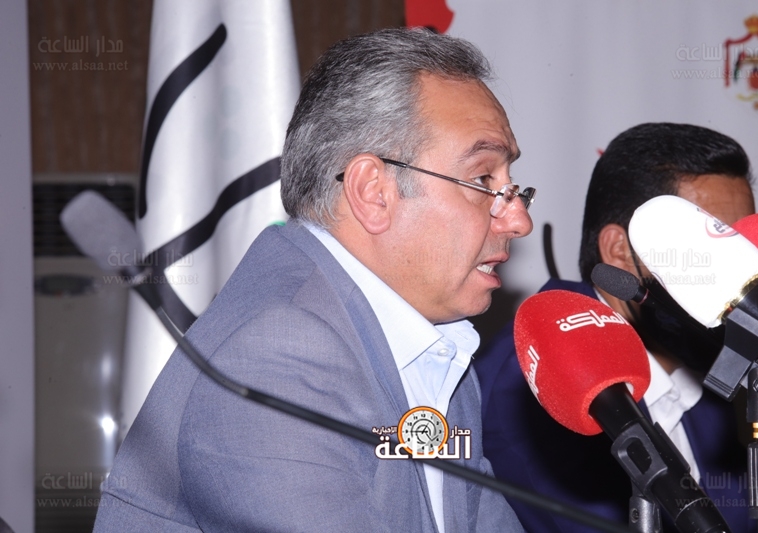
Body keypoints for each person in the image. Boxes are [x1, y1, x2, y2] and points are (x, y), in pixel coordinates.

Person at [93, 29, 533, 532]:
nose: (519, 221)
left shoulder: (438, 349)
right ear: (373, 192)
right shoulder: (279, 355)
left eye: (514, 188)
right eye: (483, 180)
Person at [475, 122, 758, 532]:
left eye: (742, 250)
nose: (739, 274)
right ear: (621, 252)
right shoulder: (540, 377)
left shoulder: (701, 366)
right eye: (710, 252)